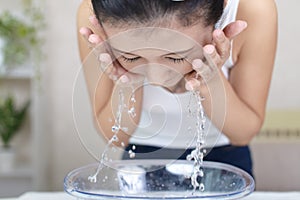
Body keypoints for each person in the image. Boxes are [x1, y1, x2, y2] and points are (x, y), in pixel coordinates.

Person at [77, 0, 277, 177]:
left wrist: (210, 80)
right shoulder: (93, 15)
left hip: (224, 156)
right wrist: (129, 82)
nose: (157, 79)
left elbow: (243, 134)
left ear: (221, 14)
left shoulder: (253, 10)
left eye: (176, 57)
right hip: (139, 157)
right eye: (130, 57)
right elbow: (115, 138)